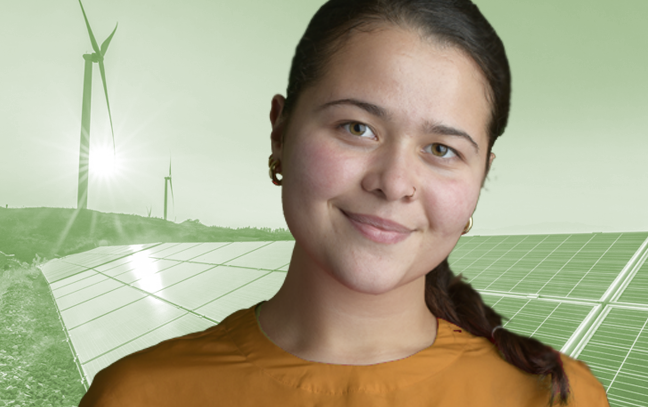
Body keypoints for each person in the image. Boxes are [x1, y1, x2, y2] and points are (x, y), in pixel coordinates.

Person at [79, 0, 610, 405]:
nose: (394, 181)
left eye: (443, 150)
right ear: (280, 133)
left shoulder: (559, 396)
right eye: (357, 128)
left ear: (481, 177)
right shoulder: (138, 394)